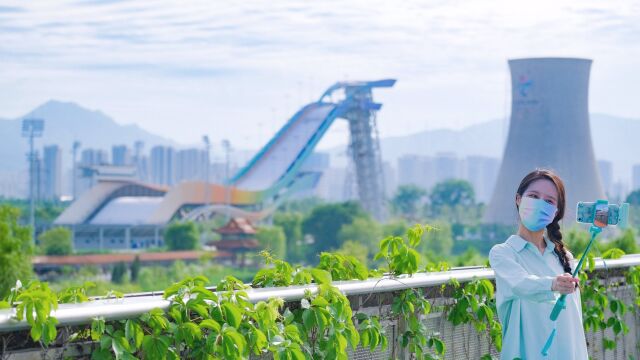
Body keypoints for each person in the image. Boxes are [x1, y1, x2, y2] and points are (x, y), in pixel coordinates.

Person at [489, 169, 588, 359]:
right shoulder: (503, 253)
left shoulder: (565, 257)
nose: (540, 204)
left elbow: (575, 322)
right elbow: (520, 284)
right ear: (518, 199)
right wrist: (553, 284)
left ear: (555, 212)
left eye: (549, 201)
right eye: (533, 196)